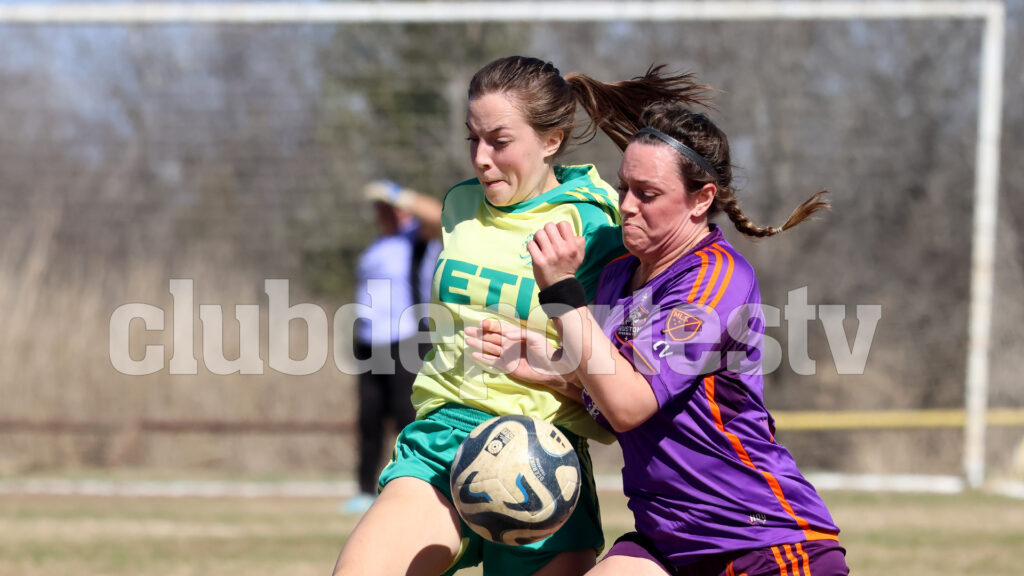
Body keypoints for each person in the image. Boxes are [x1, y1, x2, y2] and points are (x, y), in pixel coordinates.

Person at [332, 56, 713, 576]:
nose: (481, 158)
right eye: (472, 139)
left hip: (545, 456)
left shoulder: (603, 225)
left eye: (499, 141)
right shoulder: (458, 206)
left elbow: (624, 376)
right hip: (446, 437)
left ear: (551, 140)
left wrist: (547, 365)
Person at [468, 101, 850, 575]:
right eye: (625, 187)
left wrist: (564, 296)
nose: (626, 205)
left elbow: (630, 406)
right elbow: (615, 411)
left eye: (647, 193)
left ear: (701, 199)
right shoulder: (618, 276)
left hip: (760, 542)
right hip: (666, 541)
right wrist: (550, 367)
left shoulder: (714, 280)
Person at [342, 179, 443, 514]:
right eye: (380, 209)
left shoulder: (417, 238)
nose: (384, 214)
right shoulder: (376, 247)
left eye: (390, 208)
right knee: (368, 419)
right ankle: (364, 491)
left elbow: (439, 215)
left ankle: (414, 485)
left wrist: (400, 195)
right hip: (370, 343)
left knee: (408, 417)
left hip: (407, 339)